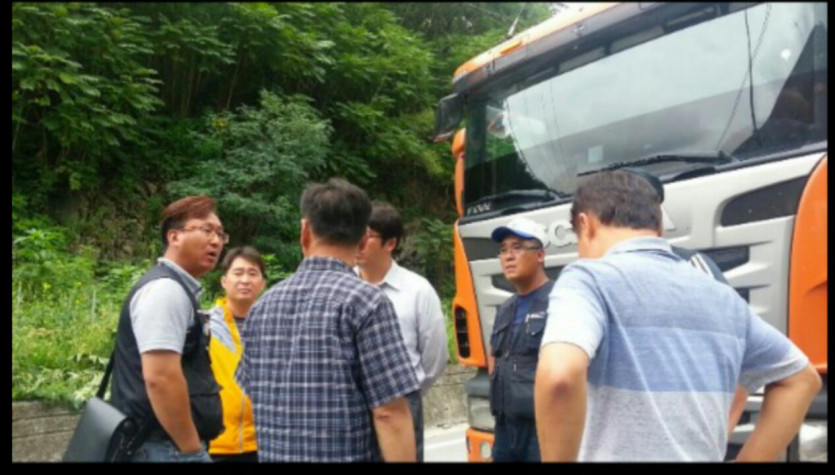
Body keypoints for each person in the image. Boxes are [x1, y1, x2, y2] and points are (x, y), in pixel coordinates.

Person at [534, 170, 821, 462]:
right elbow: (802, 379)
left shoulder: (587, 278)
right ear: (659, 228)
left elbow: (560, 376)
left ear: (586, 224)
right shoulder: (723, 296)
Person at [236, 178, 419, 462]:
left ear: (304, 231)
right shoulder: (367, 303)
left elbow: (251, 388)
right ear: (363, 240)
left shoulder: (262, 307)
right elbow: (389, 413)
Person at [110, 195, 227, 462]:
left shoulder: (173, 287)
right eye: (207, 230)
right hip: (162, 448)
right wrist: (191, 450)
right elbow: (160, 377)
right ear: (174, 237)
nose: (216, 241)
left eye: (221, 234)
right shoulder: (165, 290)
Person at [355, 202, 449, 461]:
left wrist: (410, 391)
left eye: (367, 236)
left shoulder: (417, 290)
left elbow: (435, 356)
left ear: (390, 243)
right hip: (353, 404)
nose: (358, 242)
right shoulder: (344, 285)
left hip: (403, 403)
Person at [485, 217, 553, 462]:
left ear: (540, 255)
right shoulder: (505, 308)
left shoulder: (560, 300)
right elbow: (494, 360)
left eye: (517, 248)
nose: (508, 256)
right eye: (503, 250)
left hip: (544, 429)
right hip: (505, 429)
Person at [207, 246, 267, 462]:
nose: (245, 280)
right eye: (238, 273)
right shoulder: (205, 326)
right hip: (215, 442)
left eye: (252, 273)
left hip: (262, 441)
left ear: (263, 283)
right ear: (224, 281)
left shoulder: (274, 327)